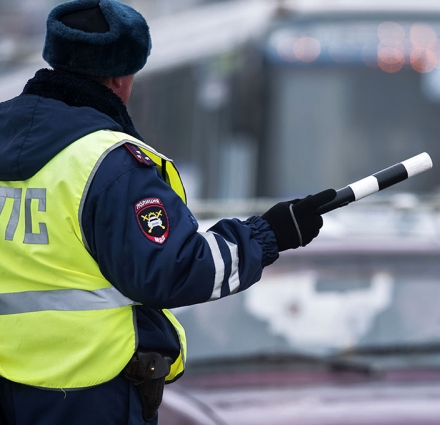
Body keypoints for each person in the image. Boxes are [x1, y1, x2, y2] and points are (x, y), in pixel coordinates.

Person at [0, 1, 335, 424]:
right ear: (121, 77)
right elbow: (174, 270)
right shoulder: (108, 164)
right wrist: (269, 234)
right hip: (91, 395)